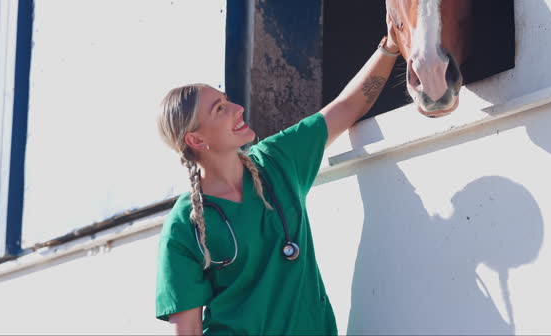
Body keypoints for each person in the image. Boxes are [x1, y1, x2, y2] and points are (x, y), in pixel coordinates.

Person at [155, 24, 401, 335]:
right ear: (196, 140)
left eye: (227, 99)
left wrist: (390, 46)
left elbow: (346, 107)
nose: (237, 108)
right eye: (220, 109)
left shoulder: (276, 161)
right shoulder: (184, 224)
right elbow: (187, 331)